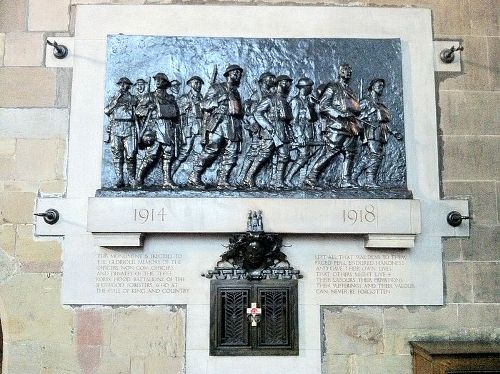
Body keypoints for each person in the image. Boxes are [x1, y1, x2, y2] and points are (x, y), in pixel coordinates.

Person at [304, 64, 361, 188]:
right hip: (337, 126)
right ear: (340, 72)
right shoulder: (332, 87)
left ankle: (346, 180)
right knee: (331, 152)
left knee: (350, 153)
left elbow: (355, 108)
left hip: (350, 127)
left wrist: (355, 111)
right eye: (345, 70)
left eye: (350, 70)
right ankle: (311, 177)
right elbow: (324, 106)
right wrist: (340, 114)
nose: (348, 73)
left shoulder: (350, 91)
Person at [187, 64, 244, 189]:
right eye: (235, 73)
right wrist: (218, 99)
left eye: (239, 73)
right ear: (228, 74)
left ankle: (222, 180)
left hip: (233, 124)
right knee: (211, 150)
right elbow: (203, 104)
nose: (238, 75)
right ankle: (194, 175)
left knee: (231, 152)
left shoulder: (235, 92)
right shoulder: (217, 87)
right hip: (218, 123)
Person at [243, 75, 294, 189]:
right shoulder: (269, 98)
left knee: (284, 156)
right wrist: (269, 127)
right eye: (285, 82)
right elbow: (257, 113)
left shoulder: (284, 100)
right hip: (271, 131)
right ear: (279, 83)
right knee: (264, 155)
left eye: (289, 83)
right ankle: (248, 178)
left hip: (283, 129)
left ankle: (277, 181)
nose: (288, 85)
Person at [354, 78, 403, 187]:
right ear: (372, 87)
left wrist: (393, 132)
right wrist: (368, 113)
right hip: (371, 130)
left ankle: (354, 175)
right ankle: (369, 180)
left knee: (369, 156)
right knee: (376, 155)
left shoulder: (381, 105)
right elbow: (356, 117)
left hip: (381, 132)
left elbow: (384, 122)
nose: (381, 88)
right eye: (379, 86)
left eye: (382, 86)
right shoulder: (365, 102)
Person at [135, 72, 180, 189]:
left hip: (167, 128)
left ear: (165, 83)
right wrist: (149, 110)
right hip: (154, 129)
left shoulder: (170, 98)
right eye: (156, 80)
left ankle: (166, 181)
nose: (158, 82)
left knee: (168, 154)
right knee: (151, 155)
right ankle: (138, 178)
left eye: (161, 80)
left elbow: (175, 112)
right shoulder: (149, 96)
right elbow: (138, 110)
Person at [238, 72, 276, 186]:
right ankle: (242, 176)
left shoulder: (268, 93)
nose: (272, 80)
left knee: (261, 152)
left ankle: (245, 177)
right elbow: (251, 112)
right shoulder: (256, 95)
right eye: (269, 78)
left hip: (267, 129)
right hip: (258, 129)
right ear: (263, 80)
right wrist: (253, 124)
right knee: (254, 152)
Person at [104, 77, 138, 188]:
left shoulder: (133, 98)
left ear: (129, 86)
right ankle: (119, 178)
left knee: (131, 154)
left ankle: (131, 178)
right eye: (120, 84)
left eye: (125, 84)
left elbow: (138, 112)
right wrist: (116, 100)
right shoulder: (114, 99)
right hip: (116, 128)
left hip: (129, 128)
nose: (122, 86)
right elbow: (106, 110)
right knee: (117, 154)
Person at [285, 77, 319, 187]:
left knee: (308, 156)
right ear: (304, 88)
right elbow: (294, 121)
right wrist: (299, 136)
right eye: (310, 87)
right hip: (300, 134)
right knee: (304, 155)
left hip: (309, 133)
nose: (312, 89)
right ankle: (288, 178)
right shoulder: (296, 101)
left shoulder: (308, 101)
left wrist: (314, 106)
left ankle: (302, 181)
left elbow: (313, 118)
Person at [172, 75, 205, 174]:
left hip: (200, 128)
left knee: (199, 152)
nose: (198, 85)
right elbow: (174, 111)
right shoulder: (184, 98)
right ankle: (171, 173)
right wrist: (184, 109)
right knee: (184, 152)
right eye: (195, 83)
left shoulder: (202, 98)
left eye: (199, 83)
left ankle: (194, 177)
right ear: (190, 84)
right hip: (189, 128)